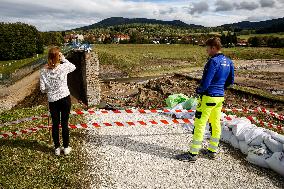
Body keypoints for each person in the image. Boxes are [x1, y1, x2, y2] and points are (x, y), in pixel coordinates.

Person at [176, 37, 234, 162]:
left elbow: (206, 82)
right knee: (215, 123)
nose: (206, 51)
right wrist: (220, 88)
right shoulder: (229, 61)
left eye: (207, 48)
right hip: (219, 98)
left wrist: (199, 90)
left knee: (199, 124)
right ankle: (212, 151)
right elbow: (231, 81)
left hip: (208, 97)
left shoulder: (213, 61)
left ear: (213, 47)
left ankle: (192, 154)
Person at [40, 46, 76, 156]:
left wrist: (50, 89)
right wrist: (64, 59)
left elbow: (42, 89)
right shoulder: (63, 67)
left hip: (52, 100)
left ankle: (56, 148)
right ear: (58, 57)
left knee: (55, 124)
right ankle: (66, 148)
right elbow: (73, 67)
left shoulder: (43, 71)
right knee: (64, 124)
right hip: (65, 98)